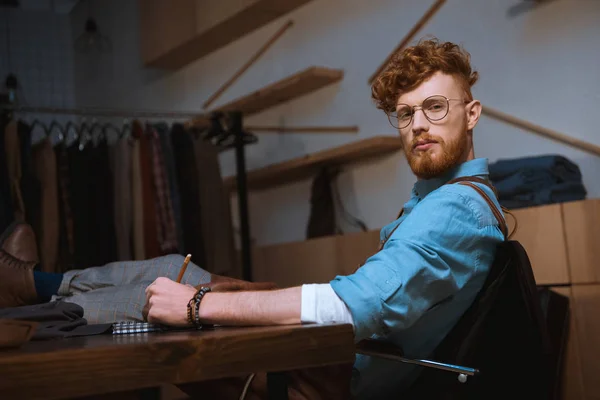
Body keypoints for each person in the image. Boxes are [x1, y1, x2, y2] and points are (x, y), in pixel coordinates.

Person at [0, 37, 506, 398]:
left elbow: (354, 307)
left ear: (472, 112)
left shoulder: (454, 209)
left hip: (338, 375)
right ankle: (35, 287)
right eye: (405, 113)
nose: (418, 125)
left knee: (158, 304)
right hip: (346, 351)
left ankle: (25, 309)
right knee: (174, 271)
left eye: (435, 107)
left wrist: (197, 306)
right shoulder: (446, 196)